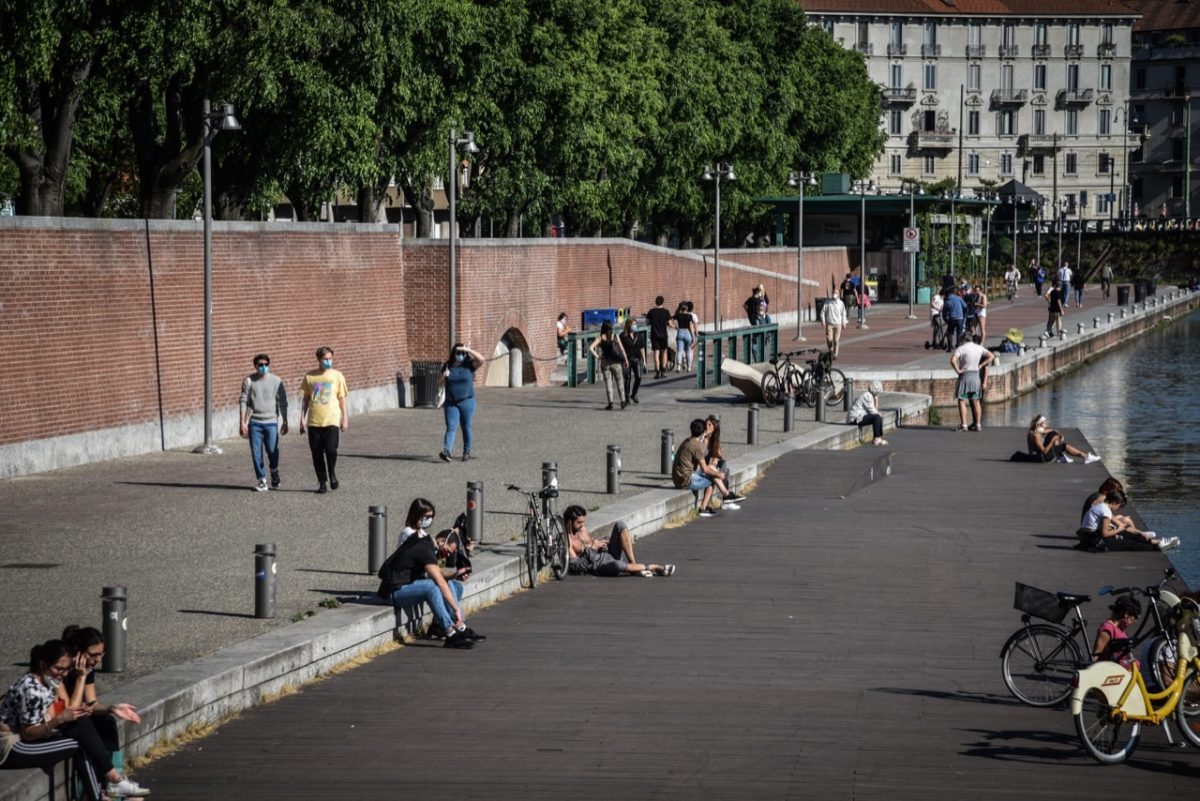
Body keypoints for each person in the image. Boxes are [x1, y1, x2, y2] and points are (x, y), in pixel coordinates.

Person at [0, 640, 148, 798]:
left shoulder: (46, 683)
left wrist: (73, 714)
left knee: (82, 728)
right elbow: (28, 733)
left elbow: (51, 715)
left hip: (26, 739)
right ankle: (110, 784)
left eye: (66, 670)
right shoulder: (31, 690)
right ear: (43, 665)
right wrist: (60, 719)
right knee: (80, 743)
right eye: (59, 669)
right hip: (10, 747)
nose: (63, 674)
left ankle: (107, 786)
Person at [377, 499, 482, 649]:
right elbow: (435, 576)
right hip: (395, 588)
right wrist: (457, 609)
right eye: (426, 516)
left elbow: (434, 570)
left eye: (431, 517)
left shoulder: (423, 537)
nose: (429, 520)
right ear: (416, 515)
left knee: (455, 586)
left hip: (410, 582)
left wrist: (455, 574)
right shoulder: (412, 537)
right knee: (433, 587)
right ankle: (451, 632)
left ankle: (451, 625)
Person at [58, 626, 142, 783]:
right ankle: (113, 780)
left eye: (101, 654)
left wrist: (112, 708)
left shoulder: (88, 668)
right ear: (78, 652)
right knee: (82, 724)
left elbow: (93, 703)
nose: (98, 660)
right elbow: (70, 710)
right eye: (93, 655)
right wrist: (81, 677)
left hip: (72, 716)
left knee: (107, 720)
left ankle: (116, 774)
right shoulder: (61, 670)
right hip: (57, 721)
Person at [562, 505, 675, 577]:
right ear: (569, 522)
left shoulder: (583, 529)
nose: (582, 525)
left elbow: (591, 542)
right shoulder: (569, 542)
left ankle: (633, 564)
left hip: (608, 553)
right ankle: (654, 567)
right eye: (579, 523)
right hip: (600, 566)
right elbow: (577, 567)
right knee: (618, 565)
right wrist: (593, 549)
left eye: (583, 522)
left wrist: (602, 543)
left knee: (620, 525)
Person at [298, 346, 348, 493]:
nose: (328, 361)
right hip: (314, 420)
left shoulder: (337, 376)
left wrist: (344, 418)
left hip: (331, 418)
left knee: (331, 449)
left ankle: (332, 473)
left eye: (330, 359)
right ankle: (322, 481)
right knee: (316, 452)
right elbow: (305, 400)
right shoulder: (310, 377)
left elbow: (342, 399)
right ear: (319, 359)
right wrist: (302, 418)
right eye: (325, 359)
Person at [239, 352, 289, 492]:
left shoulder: (276, 381)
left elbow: (283, 402)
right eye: (260, 365)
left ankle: (274, 471)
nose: (264, 367)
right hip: (254, 422)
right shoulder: (249, 381)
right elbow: (243, 401)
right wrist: (242, 422)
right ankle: (262, 480)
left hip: (271, 422)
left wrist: (285, 421)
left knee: (273, 451)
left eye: (266, 365)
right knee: (256, 453)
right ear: (255, 366)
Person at [671, 419, 741, 517]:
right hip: (685, 480)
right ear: (703, 431)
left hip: (679, 477)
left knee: (711, 467)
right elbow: (705, 469)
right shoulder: (696, 446)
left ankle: (726, 496)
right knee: (712, 478)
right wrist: (719, 475)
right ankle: (705, 507)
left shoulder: (688, 441)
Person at [1076, 488, 1177, 551]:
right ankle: (1157, 546)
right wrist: (1119, 530)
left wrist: (1121, 528)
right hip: (1095, 542)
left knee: (1128, 535)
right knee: (1129, 543)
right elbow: (1105, 534)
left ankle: (1159, 542)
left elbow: (1111, 524)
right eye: (1119, 506)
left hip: (1088, 538)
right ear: (1115, 502)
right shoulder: (1106, 511)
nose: (1118, 509)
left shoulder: (1101, 506)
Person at [438, 342, 484, 461]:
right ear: (454, 353)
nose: (461, 354)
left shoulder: (469, 365)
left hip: (467, 401)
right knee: (451, 426)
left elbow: (481, 360)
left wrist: (468, 349)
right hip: (451, 402)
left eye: (463, 353)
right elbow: (438, 383)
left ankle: (467, 452)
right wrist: (444, 376)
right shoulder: (448, 365)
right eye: (459, 352)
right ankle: (446, 451)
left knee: (466, 426)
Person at [951, 334, 993, 431]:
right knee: (976, 401)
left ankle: (964, 424)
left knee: (962, 400)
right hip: (975, 377)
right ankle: (978, 424)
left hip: (965, 376)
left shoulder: (961, 349)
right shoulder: (979, 348)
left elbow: (953, 360)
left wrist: (958, 371)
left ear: (963, 339)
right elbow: (991, 356)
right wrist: (981, 365)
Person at [703, 415, 746, 502]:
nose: (706, 426)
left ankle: (726, 499)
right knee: (716, 472)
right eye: (706, 424)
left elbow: (717, 457)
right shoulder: (701, 439)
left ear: (714, 428)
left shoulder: (715, 441)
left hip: (708, 466)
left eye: (709, 425)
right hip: (701, 467)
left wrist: (715, 464)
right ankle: (726, 496)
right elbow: (700, 455)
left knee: (724, 466)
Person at [1090, 596, 1142, 667]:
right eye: (1134, 617)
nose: (1134, 621)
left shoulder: (1120, 629)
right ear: (1126, 614)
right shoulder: (1108, 628)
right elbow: (1097, 654)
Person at [588, 322, 628, 411]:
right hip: (616, 362)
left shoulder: (601, 338)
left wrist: (598, 357)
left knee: (608, 384)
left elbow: (591, 348)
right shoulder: (615, 336)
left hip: (605, 363)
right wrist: (625, 360)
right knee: (620, 382)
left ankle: (610, 403)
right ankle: (623, 401)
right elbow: (621, 349)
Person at [1026, 414, 1099, 463]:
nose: (1046, 423)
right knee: (1064, 446)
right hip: (1041, 458)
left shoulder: (1036, 430)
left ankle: (1060, 456)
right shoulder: (1036, 436)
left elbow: (1045, 431)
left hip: (1040, 455)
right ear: (1039, 424)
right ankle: (1086, 457)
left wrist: (1055, 432)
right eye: (1045, 422)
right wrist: (1052, 440)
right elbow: (1044, 451)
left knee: (1052, 433)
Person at [848, 379, 888, 446]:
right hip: (855, 418)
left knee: (877, 417)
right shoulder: (867, 396)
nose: (878, 392)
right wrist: (878, 413)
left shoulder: (870, 395)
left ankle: (878, 437)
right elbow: (872, 411)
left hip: (860, 416)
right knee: (877, 417)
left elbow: (875, 410)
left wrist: (876, 400)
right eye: (878, 390)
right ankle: (876, 438)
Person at [646, 296, 672, 379]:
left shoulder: (651, 312)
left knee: (656, 353)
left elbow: (647, 322)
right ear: (663, 302)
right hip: (663, 335)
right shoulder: (666, 312)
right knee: (664, 352)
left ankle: (657, 371)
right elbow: (670, 323)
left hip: (654, 335)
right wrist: (675, 327)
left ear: (655, 302)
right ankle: (663, 371)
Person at [619, 318, 643, 405]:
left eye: (635, 324)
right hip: (627, 359)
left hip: (637, 358)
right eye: (633, 324)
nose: (634, 326)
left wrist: (644, 360)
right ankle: (627, 396)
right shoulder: (623, 336)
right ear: (628, 325)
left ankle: (634, 393)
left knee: (639, 377)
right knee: (627, 378)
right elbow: (620, 349)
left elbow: (641, 348)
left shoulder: (638, 335)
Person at [821, 293, 847, 359]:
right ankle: (831, 350)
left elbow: (843, 313)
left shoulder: (841, 303)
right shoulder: (828, 302)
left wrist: (844, 322)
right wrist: (823, 320)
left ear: (838, 294)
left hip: (838, 324)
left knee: (836, 340)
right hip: (829, 323)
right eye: (833, 293)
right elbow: (823, 312)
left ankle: (835, 353)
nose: (834, 294)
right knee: (829, 339)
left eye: (836, 293)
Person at [672, 301, 695, 372]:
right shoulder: (689, 316)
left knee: (679, 351)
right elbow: (691, 327)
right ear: (687, 308)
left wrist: (675, 327)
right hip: (687, 333)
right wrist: (693, 337)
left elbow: (671, 320)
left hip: (680, 332)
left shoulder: (678, 315)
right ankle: (689, 367)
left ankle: (678, 367)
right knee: (688, 351)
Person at [942, 287, 966, 352]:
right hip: (960, 318)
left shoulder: (947, 301)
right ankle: (958, 346)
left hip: (951, 319)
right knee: (959, 333)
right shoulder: (959, 298)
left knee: (950, 333)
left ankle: (950, 348)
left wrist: (945, 320)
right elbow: (965, 306)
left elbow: (943, 312)